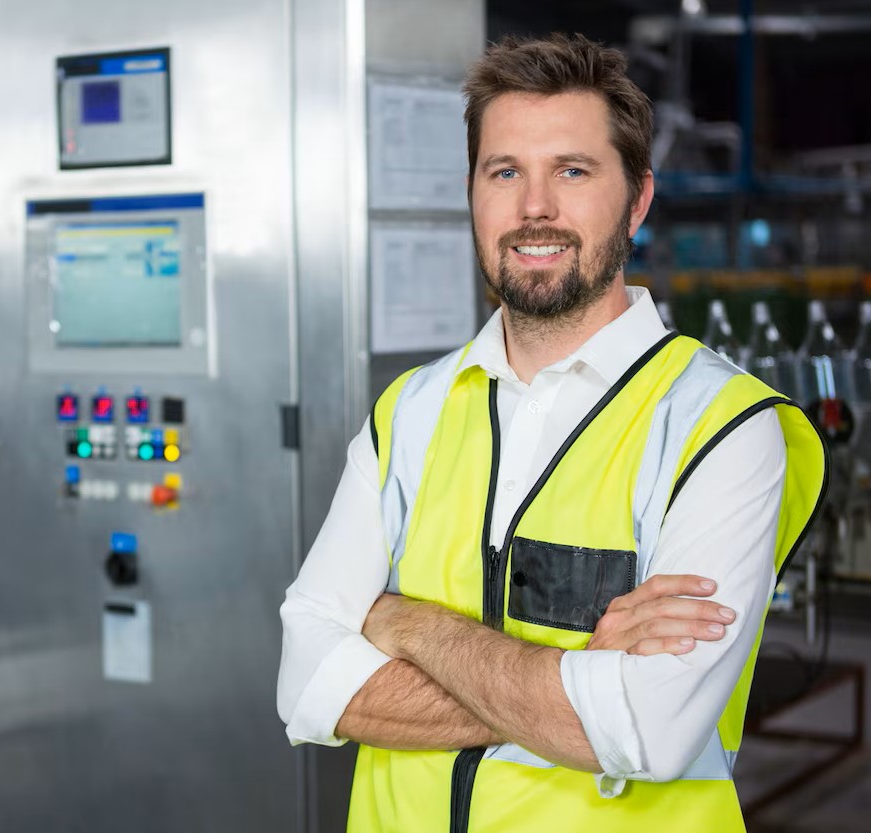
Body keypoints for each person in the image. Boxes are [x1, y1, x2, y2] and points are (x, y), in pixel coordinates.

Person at [276, 33, 827, 833]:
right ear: (472, 190)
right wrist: (576, 680)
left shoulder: (725, 428)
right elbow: (305, 682)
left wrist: (403, 622)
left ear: (637, 199)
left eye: (572, 170)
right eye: (505, 171)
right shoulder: (410, 411)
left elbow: (650, 728)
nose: (535, 207)